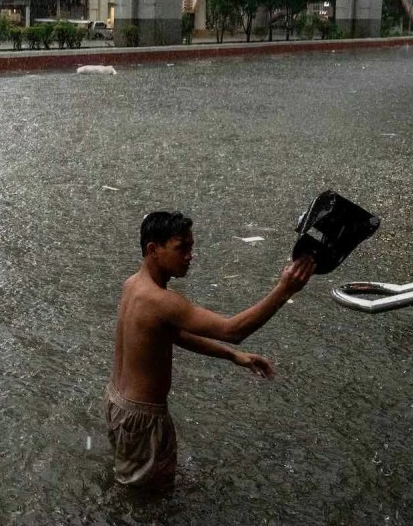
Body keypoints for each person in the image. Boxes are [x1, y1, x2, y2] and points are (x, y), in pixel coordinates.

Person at [105, 210, 315, 490]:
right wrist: (284, 289)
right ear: (152, 249)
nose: (190, 255)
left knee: (135, 487)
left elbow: (172, 335)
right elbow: (233, 330)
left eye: (191, 247)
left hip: (117, 404)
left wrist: (232, 356)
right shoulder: (163, 301)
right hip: (143, 418)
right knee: (149, 498)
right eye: (182, 248)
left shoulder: (133, 286)